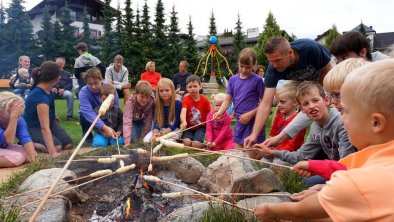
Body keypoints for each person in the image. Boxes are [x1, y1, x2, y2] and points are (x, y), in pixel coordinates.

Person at [254, 59, 394, 222]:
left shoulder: (359, 181)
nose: (341, 116)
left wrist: (270, 209)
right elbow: (344, 167)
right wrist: (324, 182)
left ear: (376, 123)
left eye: (345, 112)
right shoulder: (377, 161)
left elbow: (303, 211)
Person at [244, 37, 332, 148]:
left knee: (328, 116)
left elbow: (328, 69)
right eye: (270, 61)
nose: (274, 65)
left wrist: (320, 94)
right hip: (302, 89)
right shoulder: (273, 69)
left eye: (277, 60)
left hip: (323, 83)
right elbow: (266, 103)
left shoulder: (310, 48)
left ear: (290, 53)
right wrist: (254, 134)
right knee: (309, 113)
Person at [252, 82, 354, 168]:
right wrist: (273, 152)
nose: (312, 106)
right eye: (305, 104)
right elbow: (301, 156)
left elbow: (347, 164)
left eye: (315, 100)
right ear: (302, 110)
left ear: (326, 100)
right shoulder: (315, 127)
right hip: (334, 170)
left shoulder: (341, 122)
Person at [214, 48, 265, 148]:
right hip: (240, 122)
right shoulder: (233, 80)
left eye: (248, 67)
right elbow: (227, 100)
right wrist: (220, 112)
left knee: (252, 154)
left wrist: (251, 114)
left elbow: (265, 103)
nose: (244, 70)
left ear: (254, 65)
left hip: (253, 123)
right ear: (238, 63)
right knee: (238, 153)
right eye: (241, 66)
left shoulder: (258, 80)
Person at [24, 61, 73, 157]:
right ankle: (26, 143)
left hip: (50, 122)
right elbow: (44, 127)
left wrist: (54, 115)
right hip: (33, 127)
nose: (60, 77)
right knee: (57, 147)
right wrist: (53, 152)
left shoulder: (48, 89)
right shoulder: (39, 95)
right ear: (54, 77)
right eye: (59, 75)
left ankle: (47, 143)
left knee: (68, 145)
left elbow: (47, 107)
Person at [79, 67, 120, 144]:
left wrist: (111, 128)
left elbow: (116, 107)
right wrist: (103, 128)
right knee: (82, 114)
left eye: (95, 83)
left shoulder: (109, 88)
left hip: (108, 114)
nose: (93, 87)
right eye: (90, 84)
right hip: (92, 114)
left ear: (101, 80)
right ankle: (88, 136)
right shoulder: (83, 92)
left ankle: (113, 132)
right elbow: (88, 113)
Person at [0, 92, 36, 168]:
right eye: (11, 110)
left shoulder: (19, 119)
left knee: (29, 154)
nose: (16, 112)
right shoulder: (14, 118)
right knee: (18, 158)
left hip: (3, 147)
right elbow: (8, 140)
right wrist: (13, 118)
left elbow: (25, 138)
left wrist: (34, 161)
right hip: (4, 143)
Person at [269, 82, 306, 152]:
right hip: (276, 150)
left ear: (295, 102)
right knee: (264, 159)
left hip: (291, 153)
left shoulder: (299, 121)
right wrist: (268, 147)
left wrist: (275, 152)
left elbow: (293, 145)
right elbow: (272, 135)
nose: (279, 105)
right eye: (278, 102)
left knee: (277, 161)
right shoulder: (279, 117)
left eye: (282, 102)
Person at [146, 78, 181, 142]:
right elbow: (156, 122)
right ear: (158, 92)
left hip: (173, 129)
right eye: (161, 91)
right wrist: (155, 133)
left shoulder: (178, 104)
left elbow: (175, 123)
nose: (164, 93)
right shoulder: (156, 104)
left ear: (172, 90)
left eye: (167, 90)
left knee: (167, 141)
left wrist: (163, 133)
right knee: (147, 140)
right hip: (160, 129)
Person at [180, 75, 211, 148]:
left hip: (200, 127)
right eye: (190, 87)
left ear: (200, 86)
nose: (192, 89)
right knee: (186, 143)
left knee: (195, 144)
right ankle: (190, 139)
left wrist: (210, 126)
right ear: (187, 88)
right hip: (188, 127)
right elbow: (183, 112)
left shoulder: (205, 99)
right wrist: (184, 121)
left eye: (195, 86)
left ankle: (204, 144)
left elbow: (210, 113)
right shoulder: (186, 99)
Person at [123, 80, 154, 145]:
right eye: (142, 97)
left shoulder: (151, 101)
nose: (144, 100)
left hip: (143, 121)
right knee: (134, 140)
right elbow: (127, 123)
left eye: (147, 97)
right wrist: (127, 142)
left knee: (146, 139)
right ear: (136, 94)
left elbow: (149, 122)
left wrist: (142, 139)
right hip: (133, 122)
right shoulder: (130, 103)